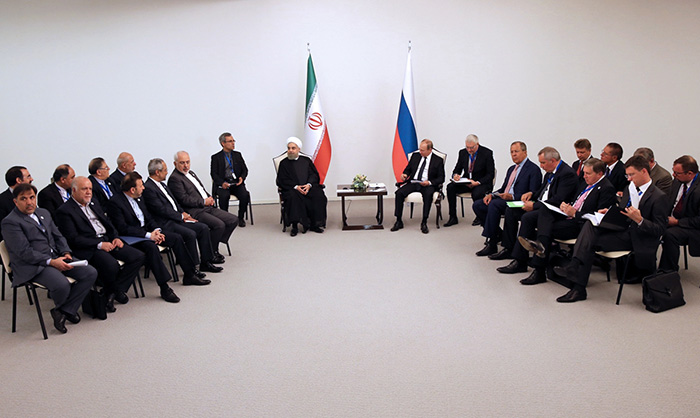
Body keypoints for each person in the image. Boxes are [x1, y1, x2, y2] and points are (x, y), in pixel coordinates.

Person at [558, 155, 668, 303]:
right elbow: (623, 213)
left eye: (631, 175)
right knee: (590, 226)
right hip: (622, 231)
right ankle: (576, 279)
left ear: (644, 171)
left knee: (588, 241)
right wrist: (610, 212)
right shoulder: (630, 188)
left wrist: (640, 220)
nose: (629, 179)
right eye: (627, 175)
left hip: (638, 238)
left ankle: (576, 279)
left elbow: (660, 230)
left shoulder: (659, 197)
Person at [1, 183, 97, 334]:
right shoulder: (10, 222)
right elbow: (24, 252)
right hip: (33, 265)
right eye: (23, 199)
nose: (29, 202)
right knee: (62, 284)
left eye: (32, 197)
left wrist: (65, 252)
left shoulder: (43, 212)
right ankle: (67, 310)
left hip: (55, 257)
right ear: (15, 201)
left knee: (90, 273)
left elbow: (58, 236)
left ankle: (64, 311)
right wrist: (51, 262)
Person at [510, 158, 617, 285]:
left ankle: (539, 266)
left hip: (581, 225)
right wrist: (566, 207)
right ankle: (525, 258)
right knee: (540, 212)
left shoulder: (606, 188)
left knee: (545, 230)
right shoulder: (586, 183)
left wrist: (575, 213)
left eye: (588, 173)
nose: (584, 176)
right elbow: (575, 200)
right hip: (569, 217)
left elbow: (598, 217)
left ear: (599, 174)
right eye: (584, 173)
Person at [108, 172, 208, 303]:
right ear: (132, 189)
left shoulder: (139, 198)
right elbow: (123, 228)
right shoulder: (115, 203)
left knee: (176, 238)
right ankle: (164, 288)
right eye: (141, 186)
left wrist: (157, 231)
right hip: (132, 237)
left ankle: (189, 274)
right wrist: (149, 236)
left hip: (148, 232)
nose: (143, 187)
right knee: (151, 248)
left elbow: (149, 218)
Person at [55, 177, 145, 312]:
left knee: (138, 256)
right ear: (74, 190)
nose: (88, 192)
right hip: (89, 247)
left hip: (107, 239)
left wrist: (115, 237)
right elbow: (73, 239)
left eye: (90, 189)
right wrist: (99, 244)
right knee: (111, 265)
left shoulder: (93, 202)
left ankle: (113, 292)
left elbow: (108, 223)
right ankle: (113, 292)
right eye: (84, 189)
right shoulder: (65, 211)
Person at [494, 146, 578, 266]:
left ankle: (520, 260)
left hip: (552, 211)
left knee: (527, 218)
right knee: (511, 211)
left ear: (553, 161)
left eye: (543, 163)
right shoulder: (549, 173)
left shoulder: (567, 174)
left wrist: (534, 206)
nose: (541, 166)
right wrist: (531, 194)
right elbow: (542, 191)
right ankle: (509, 248)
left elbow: (558, 199)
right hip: (541, 206)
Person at [143, 158, 224, 273]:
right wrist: (181, 216)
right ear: (157, 172)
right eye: (165, 170)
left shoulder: (162, 185)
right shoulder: (149, 188)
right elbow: (162, 210)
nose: (167, 172)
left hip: (176, 218)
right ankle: (193, 269)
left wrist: (184, 213)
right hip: (166, 223)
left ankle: (206, 262)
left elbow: (175, 203)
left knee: (203, 228)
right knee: (190, 234)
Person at [473, 141, 542, 256]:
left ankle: (492, 243)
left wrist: (513, 196)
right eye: (511, 152)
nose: (513, 154)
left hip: (518, 202)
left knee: (494, 205)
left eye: (516, 151)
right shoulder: (511, 169)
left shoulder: (533, 169)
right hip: (505, 199)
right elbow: (504, 188)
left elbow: (534, 193)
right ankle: (499, 234)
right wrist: (492, 195)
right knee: (478, 205)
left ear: (525, 152)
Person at [168, 151, 238, 254]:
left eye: (187, 162)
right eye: (182, 163)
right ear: (175, 164)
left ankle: (211, 243)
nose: (186, 165)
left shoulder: (191, 173)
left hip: (207, 206)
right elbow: (184, 199)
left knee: (233, 220)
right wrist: (204, 201)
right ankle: (212, 251)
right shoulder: (174, 179)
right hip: (195, 211)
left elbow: (201, 189)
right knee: (219, 225)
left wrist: (209, 197)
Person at [275, 137, 328, 236]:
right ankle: (294, 226)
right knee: (293, 197)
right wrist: (296, 187)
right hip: (292, 189)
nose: (290, 150)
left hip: (307, 187)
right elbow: (282, 180)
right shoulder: (284, 163)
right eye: (289, 148)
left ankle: (314, 224)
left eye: (293, 148)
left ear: (299, 149)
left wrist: (308, 185)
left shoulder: (306, 161)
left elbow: (314, 175)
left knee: (319, 195)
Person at [390, 138, 445, 234]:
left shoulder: (438, 160)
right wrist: (405, 174)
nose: (420, 152)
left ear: (430, 150)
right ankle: (398, 220)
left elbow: (441, 178)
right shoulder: (415, 156)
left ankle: (424, 222)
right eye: (420, 149)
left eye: (422, 150)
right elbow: (408, 169)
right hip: (414, 182)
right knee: (399, 193)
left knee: (428, 195)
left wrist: (429, 182)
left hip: (428, 185)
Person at [658, 155, 700, 271]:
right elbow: (669, 202)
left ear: (690, 174)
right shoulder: (677, 182)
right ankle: (643, 266)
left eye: (677, 173)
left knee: (670, 235)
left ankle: (668, 271)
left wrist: (677, 222)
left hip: (692, 227)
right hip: (672, 219)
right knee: (648, 225)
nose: (673, 175)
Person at [443, 134, 495, 227]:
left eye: (472, 148)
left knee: (477, 193)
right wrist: (455, 175)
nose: (469, 150)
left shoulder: (487, 153)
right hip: (466, 182)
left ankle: (479, 216)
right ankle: (453, 217)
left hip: (481, 182)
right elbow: (457, 169)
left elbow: (490, 174)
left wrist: (477, 183)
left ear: (477, 144)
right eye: (467, 147)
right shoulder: (462, 152)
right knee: (450, 187)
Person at [211, 132, 250, 226]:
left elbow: (245, 170)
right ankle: (226, 218)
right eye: (230, 141)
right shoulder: (216, 157)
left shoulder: (237, 155)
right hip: (223, 184)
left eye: (233, 141)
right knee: (224, 196)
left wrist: (242, 178)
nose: (233, 143)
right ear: (223, 143)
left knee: (245, 195)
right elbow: (213, 174)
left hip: (236, 183)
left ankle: (240, 218)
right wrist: (222, 183)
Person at [0, 166, 33, 240]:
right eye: (28, 177)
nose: (31, 179)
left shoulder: (31, 197)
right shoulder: (2, 201)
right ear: (19, 180)